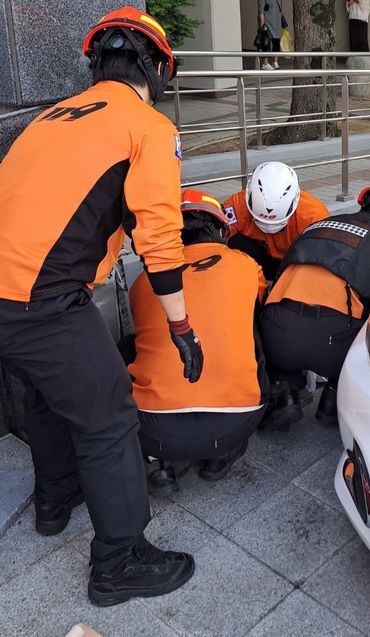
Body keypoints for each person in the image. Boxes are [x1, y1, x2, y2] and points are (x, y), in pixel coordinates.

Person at [0, 7, 201, 606]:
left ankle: (56, 501)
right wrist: (181, 324)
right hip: (44, 297)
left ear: (97, 63)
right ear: (156, 69)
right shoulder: (145, 125)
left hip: (11, 296)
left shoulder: (47, 117)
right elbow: (160, 236)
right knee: (110, 417)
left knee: (45, 392)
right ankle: (118, 562)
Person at [126, 189, 269, 495]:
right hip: (235, 422)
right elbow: (260, 304)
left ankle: (157, 464)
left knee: (134, 345)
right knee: (251, 330)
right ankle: (220, 456)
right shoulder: (245, 264)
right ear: (219, 229)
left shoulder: (141, 283)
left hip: (152, 429)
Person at [259, 181, 370, 428]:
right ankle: (334, 399)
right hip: (333, 345)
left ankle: (284, 393)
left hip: (277, 335)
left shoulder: (319, 224)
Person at [223, 162, 330, 280]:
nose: (268, 228)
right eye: (258, 221)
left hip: (295, 265)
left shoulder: (314, 217)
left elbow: (324, 260)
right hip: (256, 260)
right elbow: (214, 243)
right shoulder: (236, 206)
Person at [258, 0, 284, 70]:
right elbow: (261, 10)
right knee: (265, 41)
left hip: (277, 20)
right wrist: (262, 24)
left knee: (276, 40)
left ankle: (275, 61)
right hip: (267, 21)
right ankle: (265, 63)